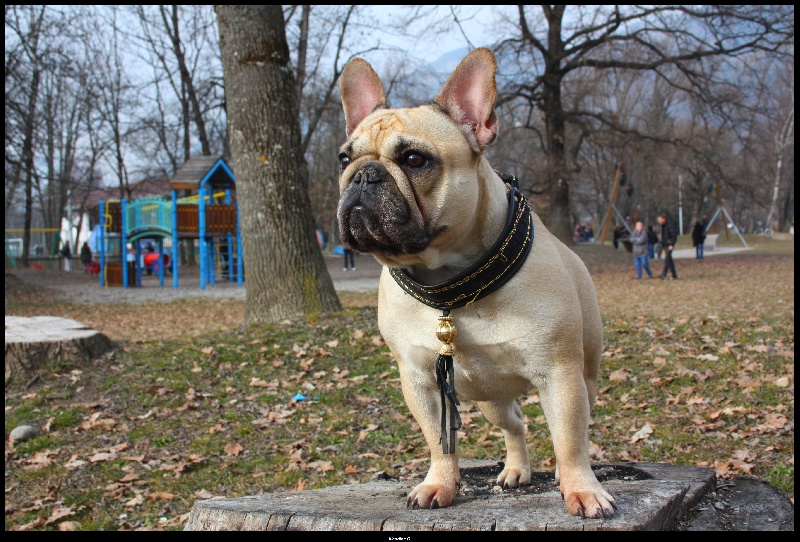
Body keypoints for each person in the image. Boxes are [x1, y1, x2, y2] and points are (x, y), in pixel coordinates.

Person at [658, 214, 678, 279]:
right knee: (669, 260)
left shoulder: (670, 225)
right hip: (665, 244)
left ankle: (664, 274)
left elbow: (673, 235)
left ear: (664, 219)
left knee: (667, 259)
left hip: (669, 244)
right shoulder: (662, 226)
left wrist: (671, 244)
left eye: (660, 220)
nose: (659, 221)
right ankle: (674, 275)